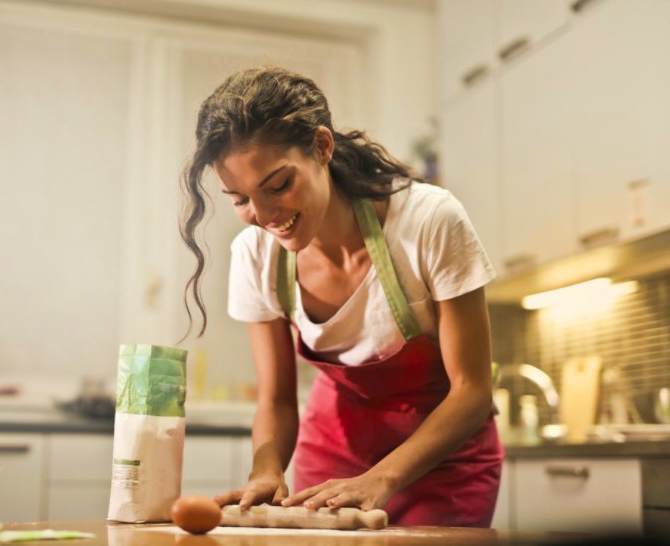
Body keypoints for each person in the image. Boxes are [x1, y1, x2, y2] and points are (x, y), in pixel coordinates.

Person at [179, 66, 502, 527]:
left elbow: (472, 391)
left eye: (277, 186)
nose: (264, 214)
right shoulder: (255, 255)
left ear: (322, 147)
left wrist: (381, 479)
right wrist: (266, 470)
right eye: (240, 199)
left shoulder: (428, 222)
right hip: (330, 461)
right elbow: (276, 400)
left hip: (443, 465)